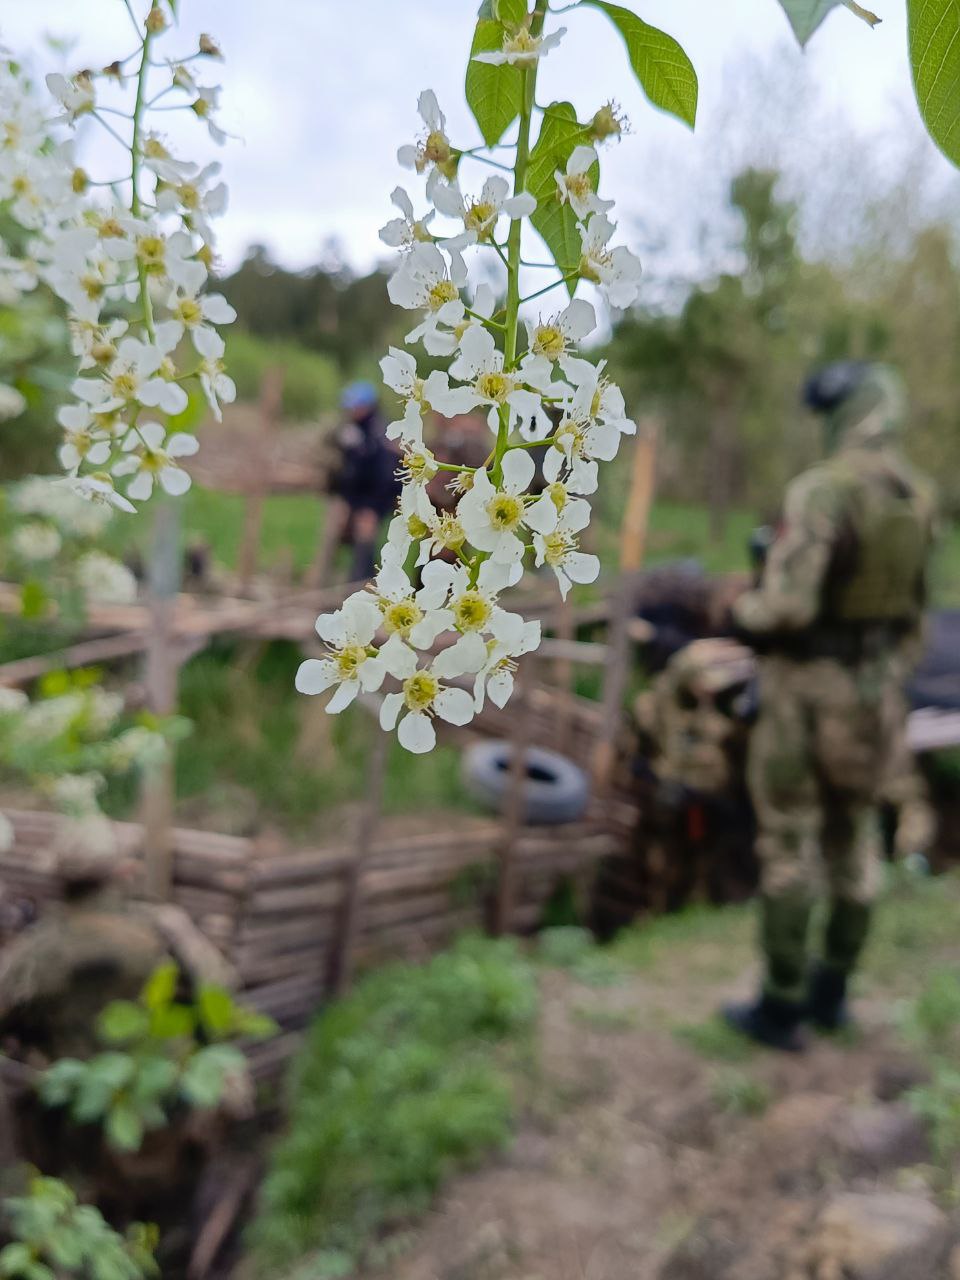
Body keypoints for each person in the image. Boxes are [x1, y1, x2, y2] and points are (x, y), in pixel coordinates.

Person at [724, 362, 936, 1050]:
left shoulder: (822, 490)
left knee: (789, 841)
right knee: (855, 838)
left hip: (804, 690)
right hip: (875, 696)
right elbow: (916, 618)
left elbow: (789, 606)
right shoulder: (917, 496)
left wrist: (739, 608)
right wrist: (881, 675)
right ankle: (833, 991)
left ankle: (781, 1006)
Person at [0, 818, 234, 1065]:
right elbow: (219, 996)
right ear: (123, 870)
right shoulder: (165, 927)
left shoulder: (37, 946)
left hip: (66, 1089)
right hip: (157, 1084)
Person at [326, 381, 401, 581]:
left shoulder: (379, 433)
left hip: (372, 499)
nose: (350, 410)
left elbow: (385, 474)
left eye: (354, 405)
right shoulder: (352, 430)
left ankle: (363, 585)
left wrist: (372, 507)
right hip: (354, 496)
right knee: (346, 540)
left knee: (365, 543)